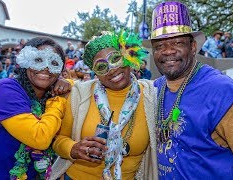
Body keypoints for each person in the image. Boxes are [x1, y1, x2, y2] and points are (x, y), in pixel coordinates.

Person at [143, 1, 233, 179]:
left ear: (193, 46)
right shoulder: (154, 89)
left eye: (177, 42)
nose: (168, 51)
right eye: (160, 46)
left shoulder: (222, 92)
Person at [50, 29, 158, 180]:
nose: (112, 69)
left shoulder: (152, 95)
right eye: (101, 67)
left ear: (127, 55)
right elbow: (58, 139)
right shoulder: (78, 94)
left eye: (115, 59)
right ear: (95, 73)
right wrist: (73, 149)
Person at [0, 36, 73, 180]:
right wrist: (58, 99)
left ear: (60, 71)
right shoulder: (4, 90)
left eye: (54, 63)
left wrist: (66, 84)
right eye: (38, 60)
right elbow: (39, 137)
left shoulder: (46, 97)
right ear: (24, 61)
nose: (46, 68)